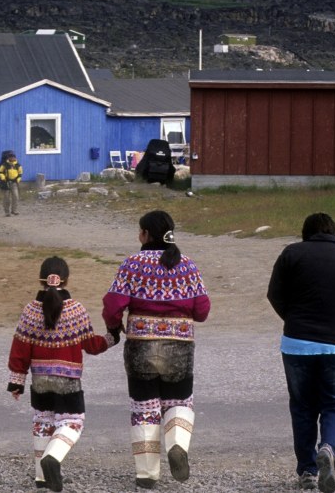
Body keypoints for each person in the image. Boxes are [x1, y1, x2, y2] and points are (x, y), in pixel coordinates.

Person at [103, 210, 210, 490]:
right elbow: (202, 311)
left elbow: (113, 305)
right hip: (179, 348)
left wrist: (113, 327)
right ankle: (177, 445)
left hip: (140, 347)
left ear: (146, 234)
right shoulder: (188, 265)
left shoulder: (132, 264)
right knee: (179, 402)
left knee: (144, 409)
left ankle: (147, 474)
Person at [266, 213, 335, 493]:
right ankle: (329, 447)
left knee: (302, 407)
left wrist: (293, 320)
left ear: (306, 233)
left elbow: (274, 294)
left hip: (297, 343)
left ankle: (308, 471)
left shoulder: (291, 254)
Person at [8, 256, 118, 491]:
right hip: (68, 380)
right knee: (72, 421)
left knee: (43, 421)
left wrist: (16, 382)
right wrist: (112, 338)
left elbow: (20, 349)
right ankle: (53, 457)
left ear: (40, 279)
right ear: (66, 280)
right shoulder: (76, 310)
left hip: (39, 380)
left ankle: (42, 477)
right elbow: (91, 345)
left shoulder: (30, 311)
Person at [0, 150, 23, 216]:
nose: (12, 158)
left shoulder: (18, 165)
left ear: (15, 158)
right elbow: (0, 172)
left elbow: (20, 174)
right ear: (8, 158)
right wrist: (3, 178)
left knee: (16, 196)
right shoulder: (4, 165)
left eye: (13, 157)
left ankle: (14, 210)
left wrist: (18, 180)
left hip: (14, 183)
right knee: (6, 198)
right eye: (10, 157)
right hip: (6, 182)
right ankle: (7, 212)